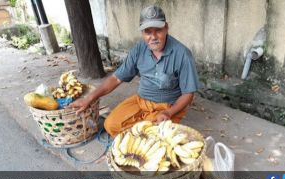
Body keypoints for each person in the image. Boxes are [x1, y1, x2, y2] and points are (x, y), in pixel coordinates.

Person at [70, 5, 199, 137]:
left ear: (166, 28)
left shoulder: (182, 54)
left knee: (152, 136)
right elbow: (116, 78)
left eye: (158, 30)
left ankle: (150, 128)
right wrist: (89, 98)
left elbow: (188, 94)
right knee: (111, 125)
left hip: (167, 107)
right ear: (142, 33)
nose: (153, 36)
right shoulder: (139, 49)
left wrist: (169, 113)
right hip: (141, 101)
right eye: (148, 32)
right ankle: (143, 126)